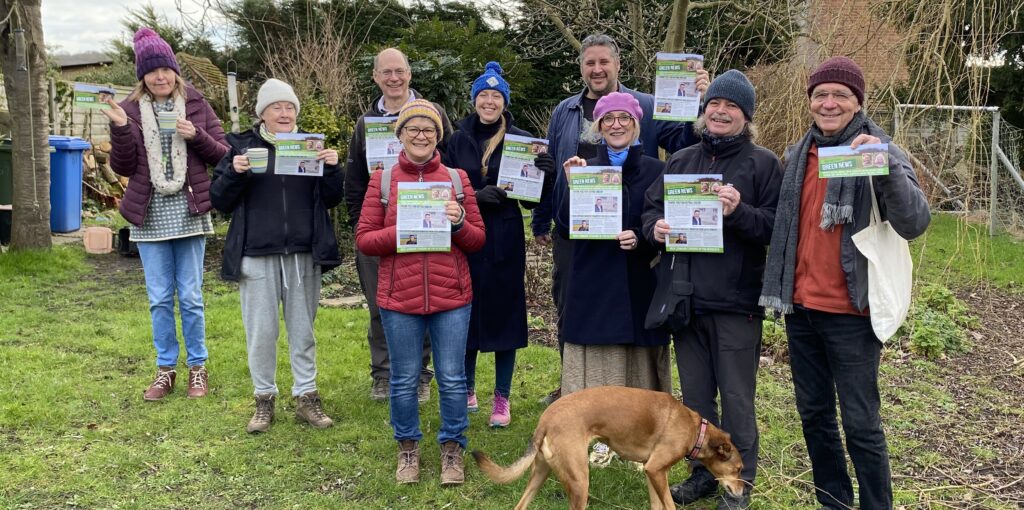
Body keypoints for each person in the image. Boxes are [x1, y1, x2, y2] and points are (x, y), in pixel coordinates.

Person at [758, 57, 930, 510]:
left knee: (861, 424)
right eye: (820, 95)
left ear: (858, 103)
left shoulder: (880, 151)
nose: (829, 103)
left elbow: (914, 223)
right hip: (802, 310)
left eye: (840, 95)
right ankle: (833, 501)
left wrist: (886, 168)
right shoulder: (797, 156)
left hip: (853, 313)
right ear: (810, 102)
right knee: (814, 417)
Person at [531, 34, 710, 405]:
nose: (597, 69)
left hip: (635, 264)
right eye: (589, 63)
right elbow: (556, 193)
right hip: (583, 247)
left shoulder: (648, 111)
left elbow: (688, 141)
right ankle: (576, 397)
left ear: (617, 65)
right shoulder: (564, 111)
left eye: (603, 62)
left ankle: (640, 409)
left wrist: (700, 101)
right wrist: (547, 210)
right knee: (572, 310)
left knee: (636, 327)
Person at [643, 70, 783, 510]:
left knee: (738, 401)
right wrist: (656, 229)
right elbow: (651, 210)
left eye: (732, 107)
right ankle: (703, 474)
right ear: (703, 112)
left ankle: (740, 482)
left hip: (737, 304)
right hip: (687, 300)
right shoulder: (681, 160)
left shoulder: (764, 164)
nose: (720, 112)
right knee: (697, 403)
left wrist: (739, 211)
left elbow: (776, 229)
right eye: (714, 105)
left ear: (746, 117)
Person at [357, 99, 485, 486]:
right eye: (412, 129)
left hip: (451, 297)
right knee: (403, 378)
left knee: (450, 377)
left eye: (429, 130)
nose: (421, 135)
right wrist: (401, 232)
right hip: (400, 297)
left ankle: (452, 448)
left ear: (438, 137)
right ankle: (408, 447)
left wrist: (460, 221)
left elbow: (478, 240)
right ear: (400, 135)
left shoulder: (458, 180)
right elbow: (364, 240)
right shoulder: (381, 181)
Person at [210, 78, 342, 433]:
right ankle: (263, 400)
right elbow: (219, 199)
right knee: (261, 332)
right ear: (262, 113)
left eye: (289, 107)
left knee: (303, 331)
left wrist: (331, 167)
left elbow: (332, 198)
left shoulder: (311, 145)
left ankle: (307, 397)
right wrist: (235, 175)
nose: (283, 113)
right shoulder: (240, 147)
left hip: (302, 253)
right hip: (256, 253)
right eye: (276, 107)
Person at [105, 27, 228, 402]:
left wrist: (197, 137)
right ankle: (165, 369)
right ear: (142, 75)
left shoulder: (195, 104)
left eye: (165, 69)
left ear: (175, 71)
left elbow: (223, 155)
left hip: (189, 211)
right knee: (159, 297)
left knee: (190, 295)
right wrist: (122, 128)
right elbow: (123, 166)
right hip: (150, 213)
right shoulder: (127, 110)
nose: (160, 77)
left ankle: (198, 367)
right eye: (151, 71)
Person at [557, 92, 670, 465]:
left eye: (624, 118)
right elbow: (564, 225)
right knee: (600, 360)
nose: (616, 125)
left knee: (638, 359)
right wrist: (571, 183)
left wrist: (639, 237)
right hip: (594, 280)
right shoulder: (584, 166)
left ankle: (641, 437)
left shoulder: (655, 169)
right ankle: (599, 436)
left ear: (636, 125)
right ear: (598, 127)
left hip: (638, 279)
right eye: (608, 120)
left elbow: (661, 223)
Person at [442, 62, 557, 428]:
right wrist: (475, 196)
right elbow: (443, 189)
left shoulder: (522, 140)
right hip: (465, 237)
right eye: (483, 95)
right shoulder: (456, 139)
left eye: (496, 96)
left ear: (504, 102)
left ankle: (502, 398)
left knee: (506, 317)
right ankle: (468, 387)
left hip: (506, 239)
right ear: (474, 99)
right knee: (467, 313)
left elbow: (530, 201)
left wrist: (546, 176)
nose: (489, 101)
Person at [345, 48, 455, 402]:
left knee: (423, 302)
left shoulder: (433, 114)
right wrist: (362, 227)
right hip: (380, 233)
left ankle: (422, 376)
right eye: (386, 72)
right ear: (376, 77)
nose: (394, 78)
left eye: (400, 71)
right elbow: (354, 181)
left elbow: (451, 165)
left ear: (410, 74)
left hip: (428, 228)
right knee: (380, 306)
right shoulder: (365, 124)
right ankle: (383, 375)